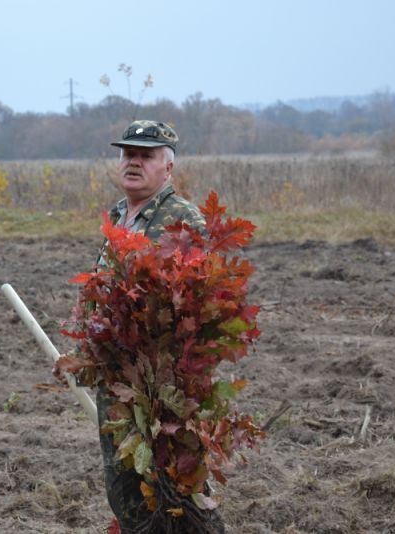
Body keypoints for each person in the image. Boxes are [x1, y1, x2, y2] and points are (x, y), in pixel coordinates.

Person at [96, 120, 223, 533]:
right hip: (117, 375)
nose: (133, 162)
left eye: (146, 155)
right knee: (124, 487)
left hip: (160, 383)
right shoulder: (119, 214)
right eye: (128, 154)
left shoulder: (182, 220)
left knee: (172, 489)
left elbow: (201, 305)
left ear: (167, 168)